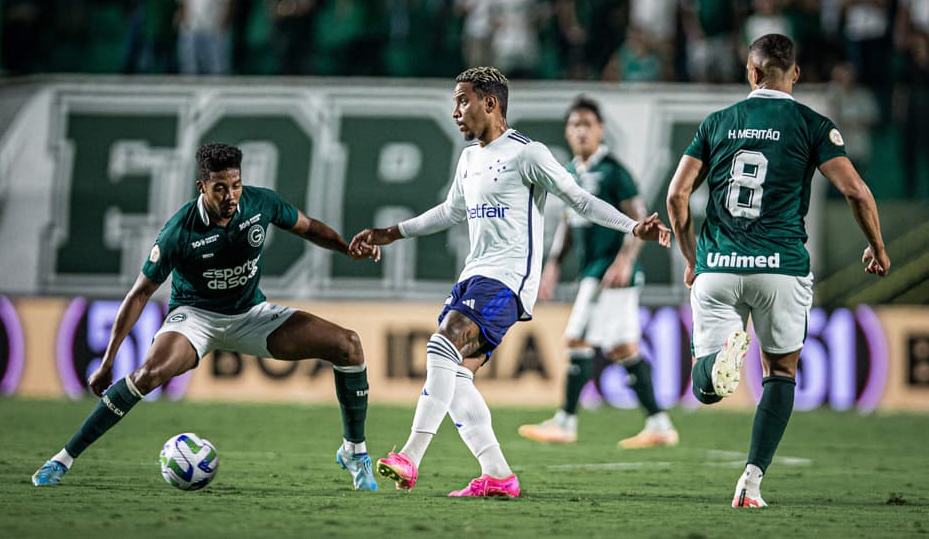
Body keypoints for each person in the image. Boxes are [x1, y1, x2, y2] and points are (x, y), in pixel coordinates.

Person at [349, 67, 671, 497]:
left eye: (462, 101)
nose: (455, 112)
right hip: (474, 276)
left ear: (490, 103)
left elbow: (579, 199)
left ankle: (410, 455)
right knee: (457, 374)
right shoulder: (469, 159)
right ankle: (498, 474)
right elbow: (450, 212)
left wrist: (633, 228)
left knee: (441, 345)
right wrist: (394, 232)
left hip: (508, 279)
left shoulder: (528, 153)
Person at [32, 143, 382, 491]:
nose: (231, 195)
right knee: (148, 374)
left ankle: (354, 452)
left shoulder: (260, 204)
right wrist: (108, 361)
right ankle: (62, 459)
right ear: (202, 187)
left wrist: (346, 248)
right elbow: (140, 294)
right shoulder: (179, 232)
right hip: (196, 317)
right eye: (220, 188)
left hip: (251, 314)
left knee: (348, 345)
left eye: (236, 185)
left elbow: (307, 227)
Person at [666, 33, 890, 508]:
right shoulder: (812, 123)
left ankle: (721, 357)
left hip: (719, 266)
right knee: (781, 372)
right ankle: (751, 482)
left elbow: (676, 195)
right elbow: (856, 192)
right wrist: (876, 247)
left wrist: (691, 258)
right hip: (780, 267)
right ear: (796, 75)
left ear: (751, 72)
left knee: (705, 388)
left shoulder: (718, 122)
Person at [517, 95, 679, 449]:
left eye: (587, 124)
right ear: (567, 131)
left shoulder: (613, 171)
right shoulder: (572, 173)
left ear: (600, 129)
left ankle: (565, 421)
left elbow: (639, 216)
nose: (581, 131)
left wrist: (625, 261)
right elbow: (567, 220)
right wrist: (554, 262)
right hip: (591, 271)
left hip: (609, 273)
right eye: (575, 125)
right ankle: (660, 425)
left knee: (576, 339)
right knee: (623, 349)